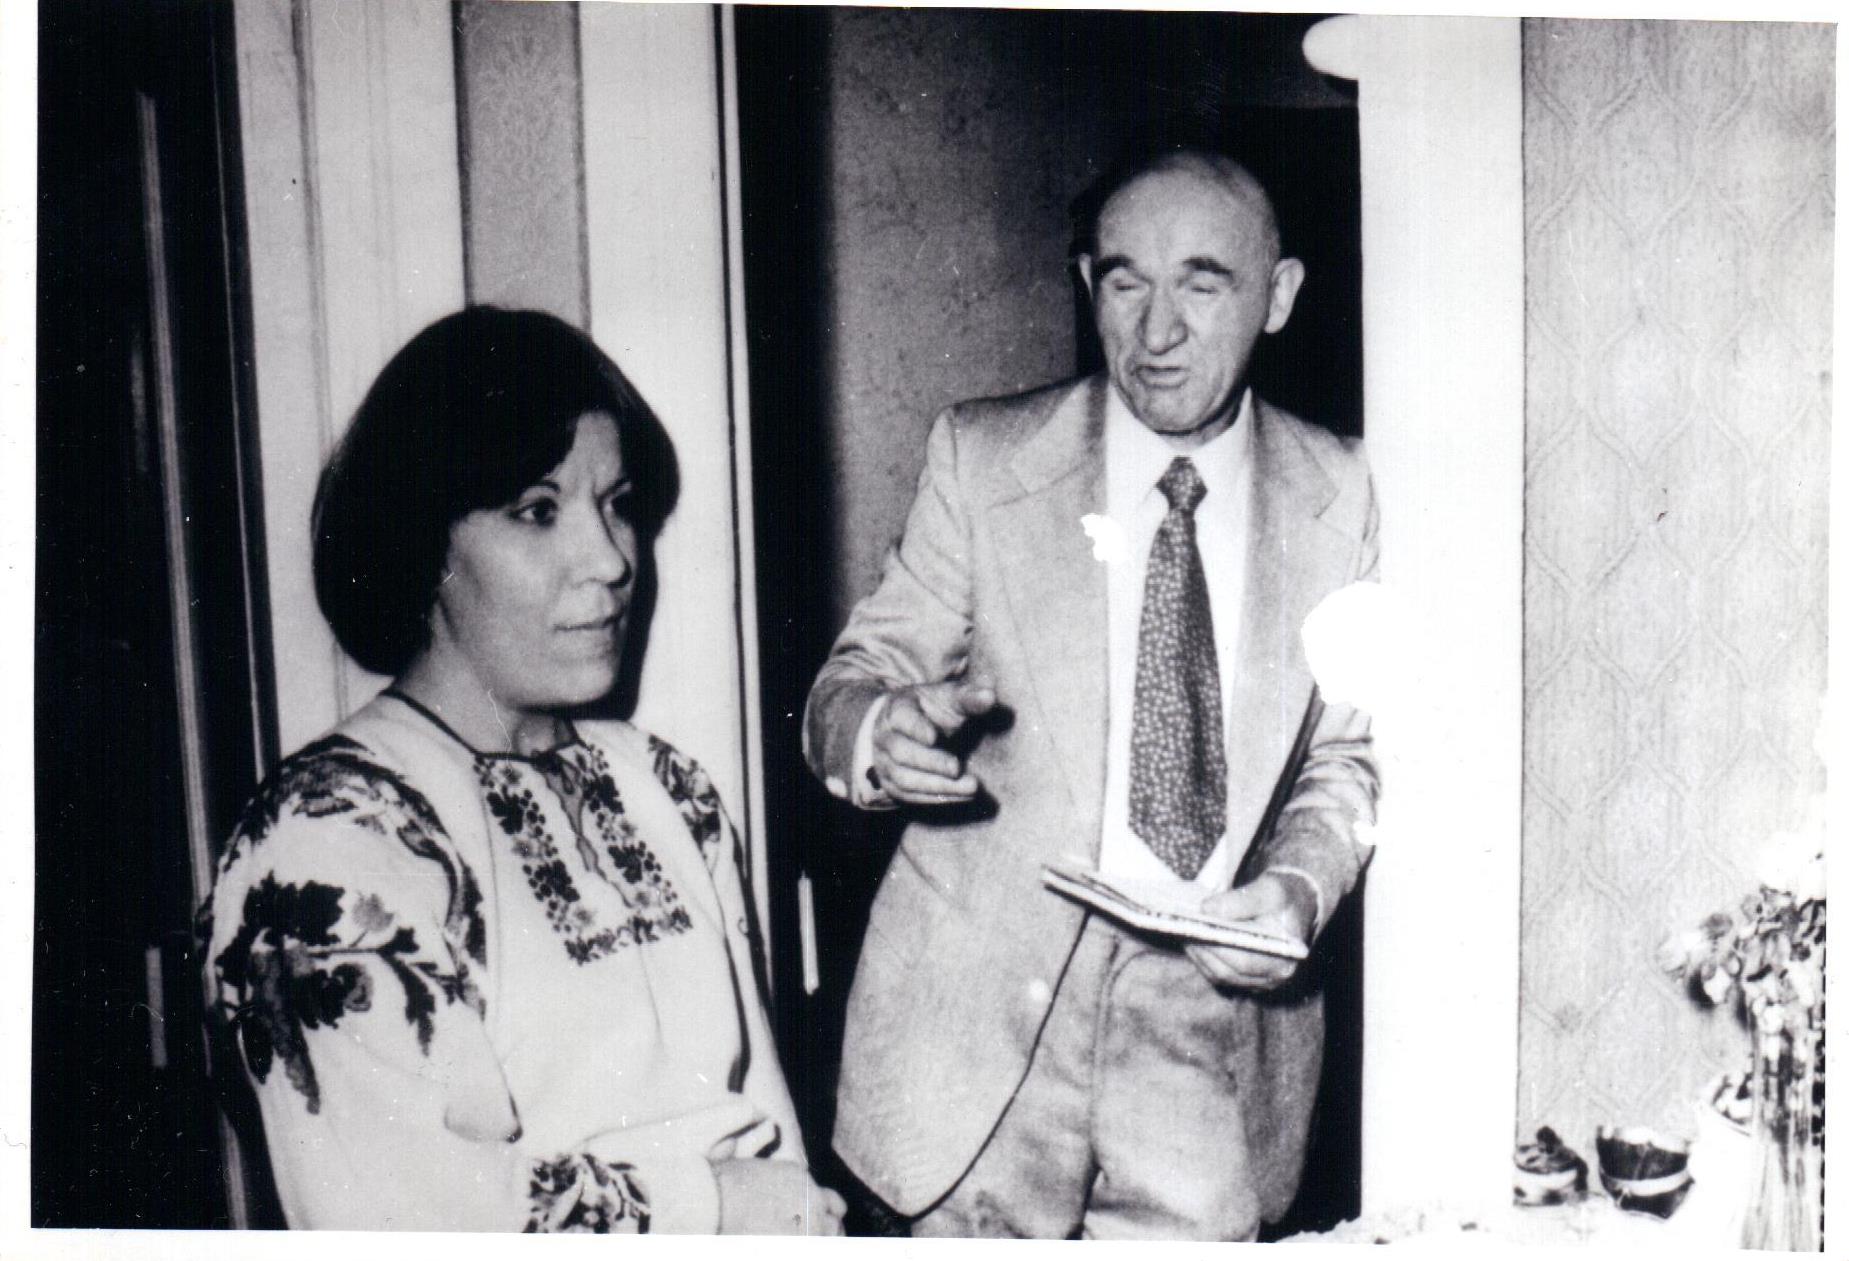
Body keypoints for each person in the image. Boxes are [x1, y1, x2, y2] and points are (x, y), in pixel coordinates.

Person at [805, 143, 1379, 1239]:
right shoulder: (983, 458)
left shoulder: (1344, 491)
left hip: (1211, 1043)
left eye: (1201, 284)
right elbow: (852, 680)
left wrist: (1297, 891)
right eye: (1124, 282)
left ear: (1278, 296)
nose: (1155, 333)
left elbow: (1345, 755)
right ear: (1086, 284)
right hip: (973, 1046)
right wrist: (878, 731)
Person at [203, 307, 845, 1234]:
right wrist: (713, 1206)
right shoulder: (322, 835)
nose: (611, 559)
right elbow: (398, 1220)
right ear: (423, 546)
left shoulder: (667, 787)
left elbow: (774, 1143)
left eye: (617, 503)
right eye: (538, 512)